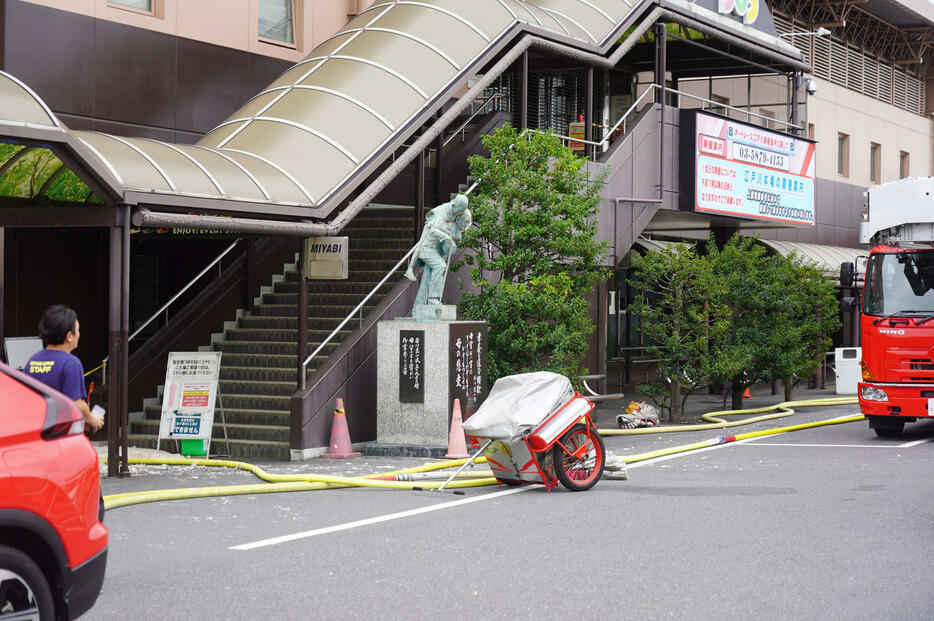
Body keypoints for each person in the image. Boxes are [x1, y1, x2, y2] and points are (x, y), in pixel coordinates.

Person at [24, 305, 104, 432]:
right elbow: (76, 404)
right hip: (60, 434)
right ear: (69, 336)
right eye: (77, 330)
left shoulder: (32, 361)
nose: (79, 334)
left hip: (35, 430)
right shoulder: (71, 363)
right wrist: (92, 419)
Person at [404, 194, 472, 305]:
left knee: (433, 272)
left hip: (440, 249)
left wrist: (454, 238)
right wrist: (446, 236)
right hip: (428, 248)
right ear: (453, 204)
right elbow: (432, 230)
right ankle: (432, 299)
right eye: (459, 210)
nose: (459, 213)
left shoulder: (460, 215)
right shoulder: (442, 212)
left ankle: (424, 301)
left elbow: (464, 224)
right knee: (440, 266)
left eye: (462, 211)